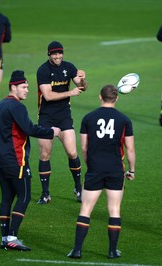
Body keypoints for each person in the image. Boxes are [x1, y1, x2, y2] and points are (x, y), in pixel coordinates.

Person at [0, 70, 60, 251]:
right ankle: (12, 237)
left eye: (28, 87)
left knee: (7, 197)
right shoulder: (17, 107)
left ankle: (5, 238)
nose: (27, 90)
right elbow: (30, 129)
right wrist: (51, 132)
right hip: (16, 159)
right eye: (23, 87)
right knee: (24, 196)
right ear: (13, 87)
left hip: (1, 160)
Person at [67, 84, 136, 259]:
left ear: (100, 97)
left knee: (85, 209)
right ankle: (112, 251)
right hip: (115, 170)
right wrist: (132, 170)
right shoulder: (124, 120)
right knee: (114, 210)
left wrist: (91, 164)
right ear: (117, 98)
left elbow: (83, 147)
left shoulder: (88, 118)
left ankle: (77, 250)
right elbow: (130, 150)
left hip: (95, 169)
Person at [36, 41, 88, 204]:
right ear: (49, 55)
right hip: (46, 117)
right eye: (54, 54)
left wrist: (82, 80)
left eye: (60, 53)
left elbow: (82, 87)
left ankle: (78, 189)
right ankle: (45, 194)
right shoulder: (43, 70)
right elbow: (48, 96)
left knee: (72, 153)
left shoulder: (69, 67)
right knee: (45, 155)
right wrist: (70, 93)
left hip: (64, 117)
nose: (58, 56)